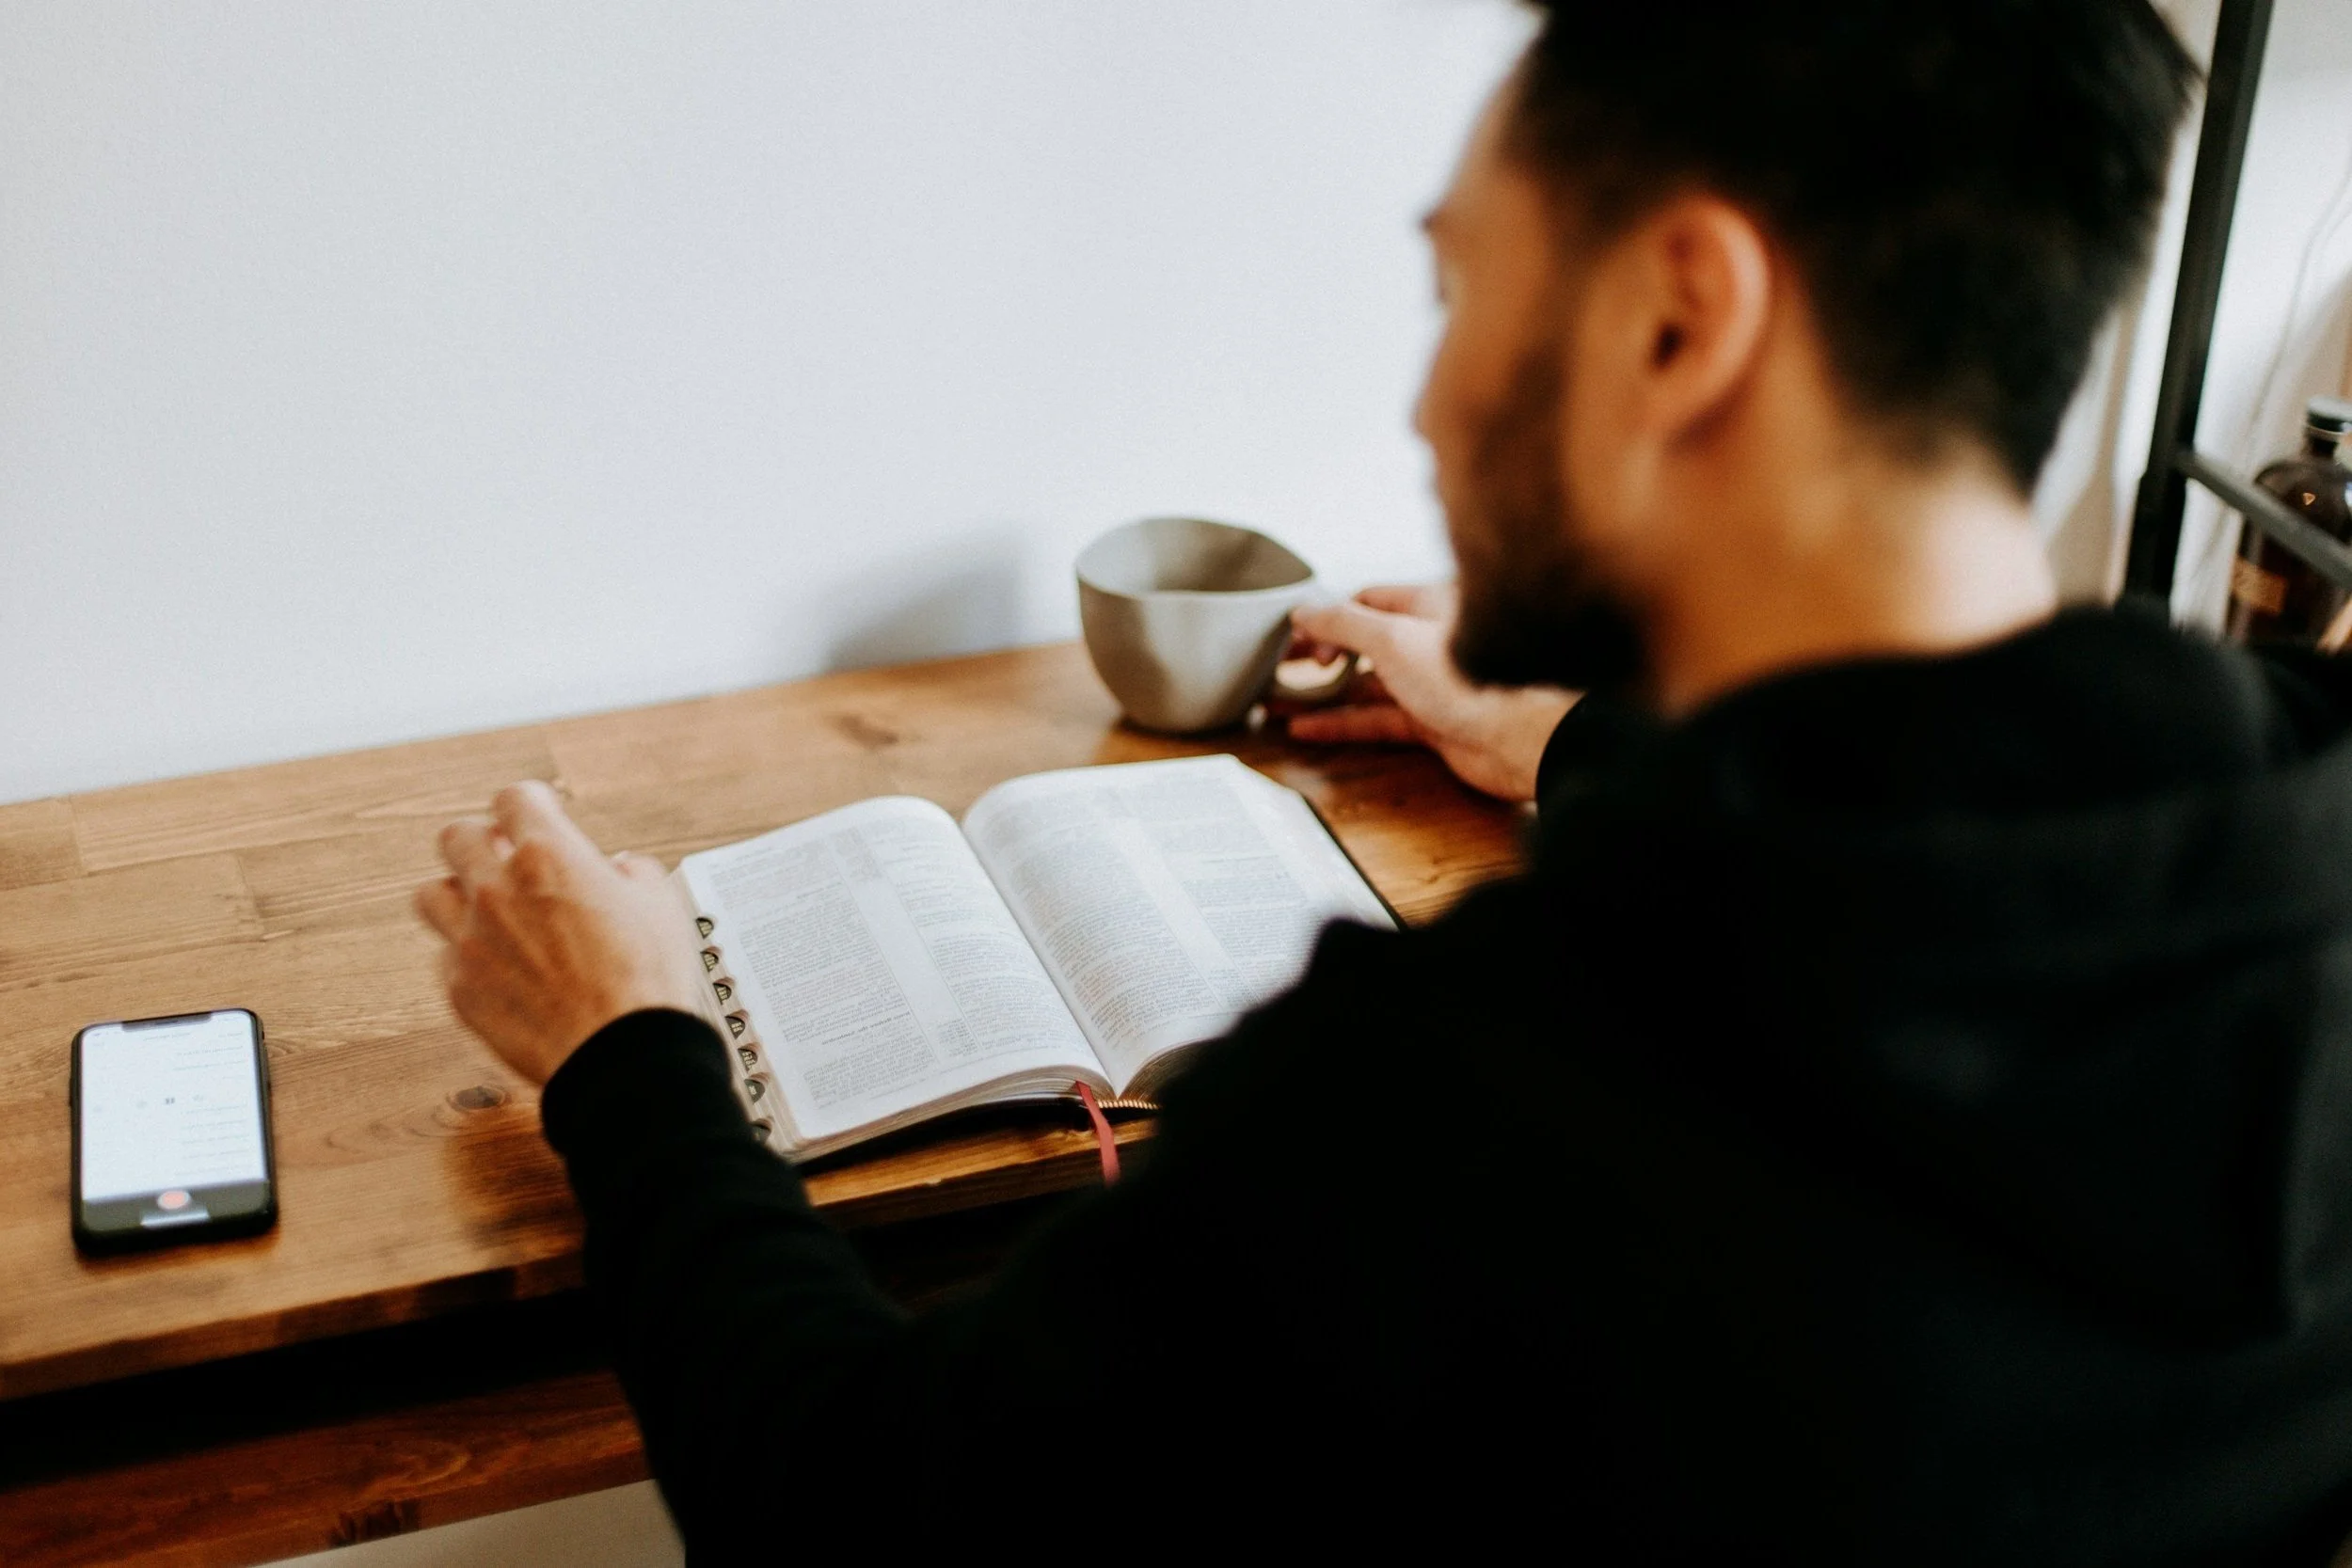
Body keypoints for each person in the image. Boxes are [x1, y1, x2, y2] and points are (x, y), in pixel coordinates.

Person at [412, 3, 2352, 1560]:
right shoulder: (2297, 831)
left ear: (1677, 317)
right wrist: (1572, 738)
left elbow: (856, 1504)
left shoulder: (1463, 1104)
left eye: (1457, 288)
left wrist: (629, 1051)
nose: (1426, 398)